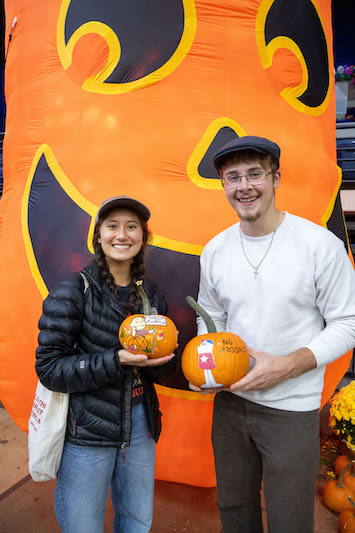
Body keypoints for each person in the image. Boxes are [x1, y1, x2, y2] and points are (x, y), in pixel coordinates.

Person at [189, 136, 355, 533]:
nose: (243, 185)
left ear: (276, 178)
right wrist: (208, 368)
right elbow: (211, 316)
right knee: (234, 508)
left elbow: (348, 323)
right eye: (233, 177)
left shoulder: (319, 245)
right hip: (230, 404)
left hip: (291, 408)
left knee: (290, 519)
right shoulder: (215, 250)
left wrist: (287, 366)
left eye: (254, 174)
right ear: (223, 186)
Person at [35, 196, 177, 533]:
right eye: (112, 226)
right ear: (98, 236)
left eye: (132, 227)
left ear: (143, 237)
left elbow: (160, 370)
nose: (122, 235)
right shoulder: (74, 290)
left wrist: (159, 362)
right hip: (87, 431)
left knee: (138, 520)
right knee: (82, 525)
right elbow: (50, 368)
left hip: (140, 426)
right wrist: (117, 360)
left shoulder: (150, 295)